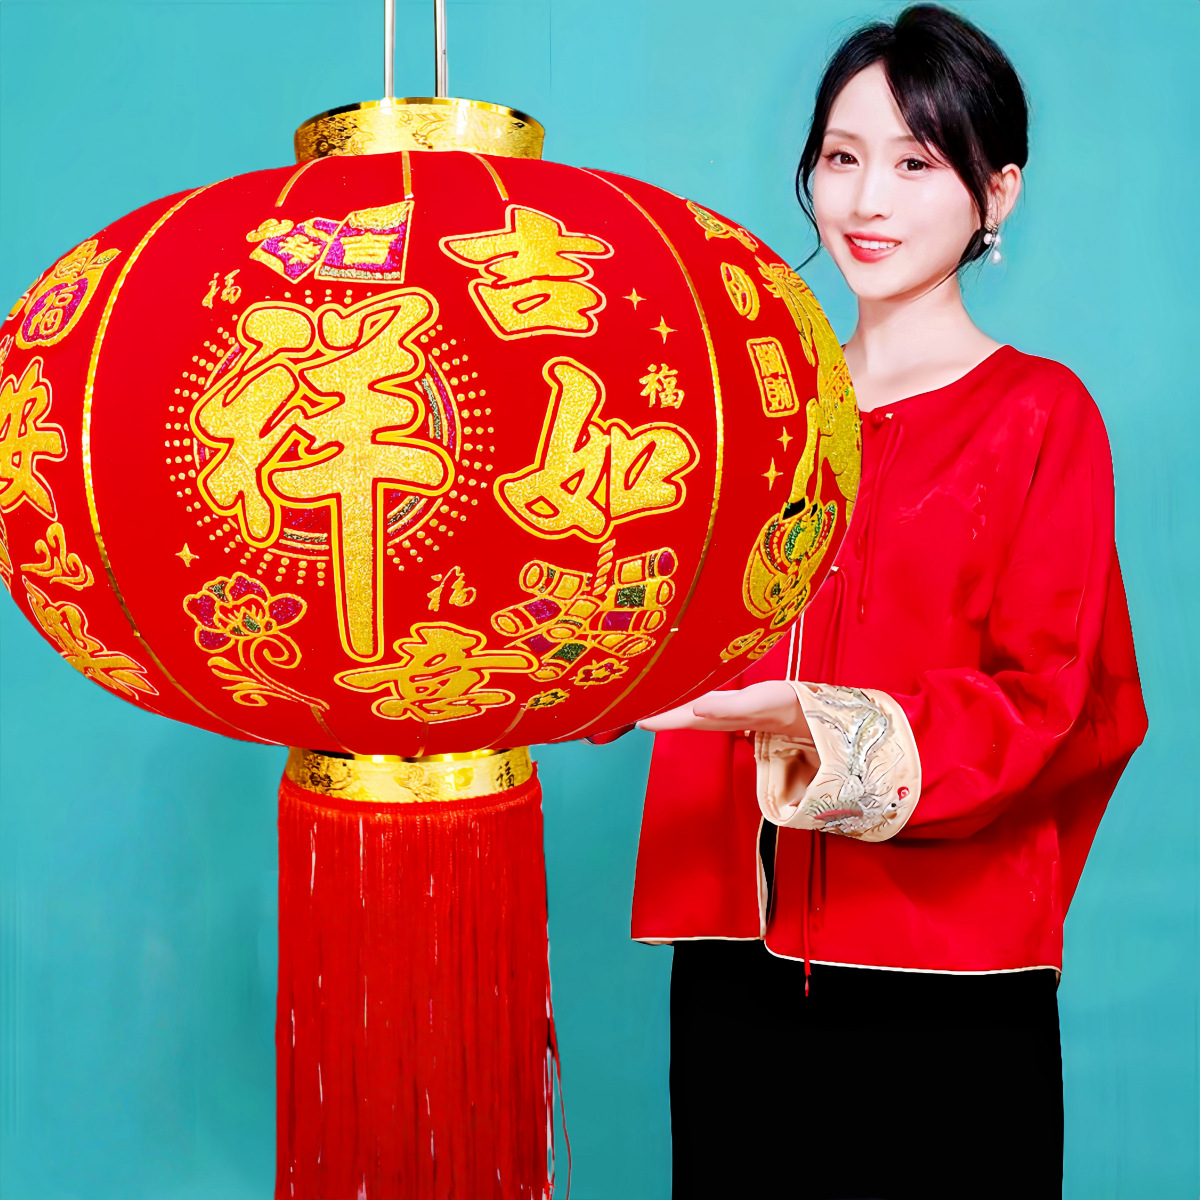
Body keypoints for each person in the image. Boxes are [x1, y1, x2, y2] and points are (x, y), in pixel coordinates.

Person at [630, 7, 1148, 1198]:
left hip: (943, 977)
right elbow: (651, 623)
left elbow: (1053, 701)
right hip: (735, 964)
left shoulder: (1040, 417)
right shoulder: (749, 416)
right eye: (842, 156)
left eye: (917, 163)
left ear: (998, 191)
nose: (867, 199)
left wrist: (818, 726)